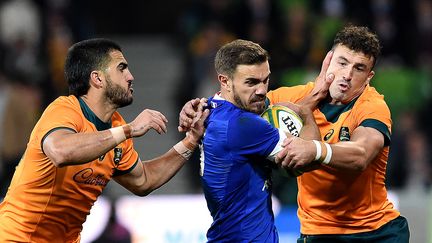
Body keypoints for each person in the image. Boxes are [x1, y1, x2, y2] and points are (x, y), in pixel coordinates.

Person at [180, 25, 410, 243]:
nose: (347, 74)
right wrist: (201, 107)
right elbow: (239, 102)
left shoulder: (372, 106)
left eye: (359, 68)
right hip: (318, 232)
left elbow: (361, 154)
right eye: (342, 62)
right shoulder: (296, 96)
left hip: (374, 231)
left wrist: (314, 149)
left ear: (369, 76)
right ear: (328, 60)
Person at [0, 38, 208, 242]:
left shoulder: (117, 127)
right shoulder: (65, 109)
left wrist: (191, 140)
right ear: (97, 78)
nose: (131, 76)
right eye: (122, 68)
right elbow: (59, 151)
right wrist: (128, 130)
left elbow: (144, 180)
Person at [191, 39, 331, 242]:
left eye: (265, 80)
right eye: (251, 82)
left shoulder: (212, 108)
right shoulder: (242, 125)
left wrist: (315, 94)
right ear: (224, 81)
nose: (262, 90)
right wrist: (307, 115)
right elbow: (307, 159)